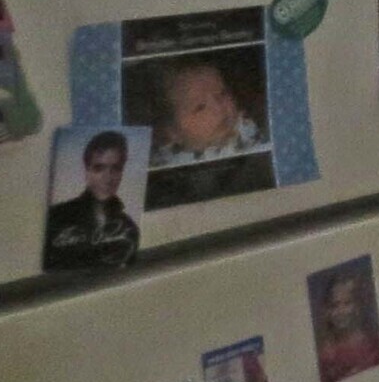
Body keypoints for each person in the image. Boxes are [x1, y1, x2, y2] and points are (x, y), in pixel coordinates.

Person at [42, 129, 141, 272]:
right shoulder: (56, 216)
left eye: (115, 168)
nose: (108, 177)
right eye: (99, 168)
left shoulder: (128, 228)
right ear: (86, 171)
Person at [155, 57, 264, 161]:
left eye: (222, 94)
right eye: (200, 107)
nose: (219, 108)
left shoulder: (249, 126)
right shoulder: (168, 164)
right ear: (173, 132)